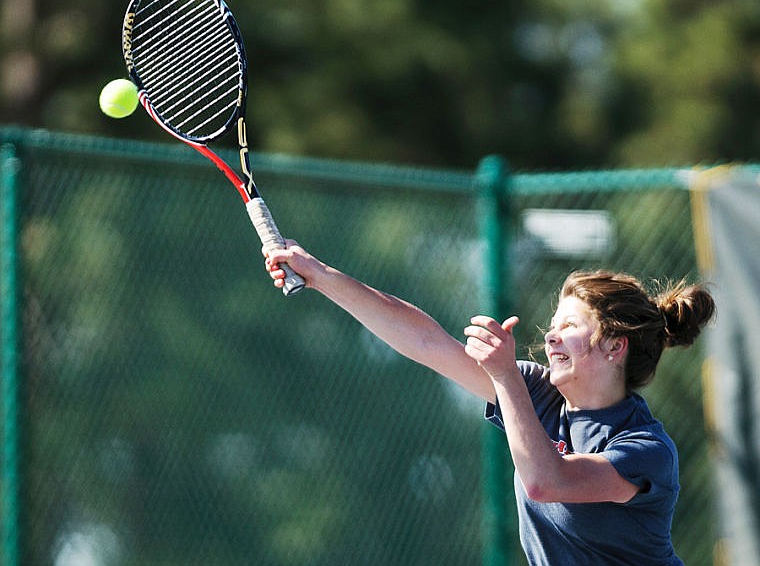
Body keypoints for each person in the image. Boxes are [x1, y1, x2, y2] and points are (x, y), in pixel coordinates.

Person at [264, 241, 716, 566]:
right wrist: (320, 275)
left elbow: (546, 481)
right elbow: (427, 341)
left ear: (614, 347)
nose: (551, 335)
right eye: (553, 324)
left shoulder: (645, 449)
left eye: (570, 325)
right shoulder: (538, 393)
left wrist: (503, 375)